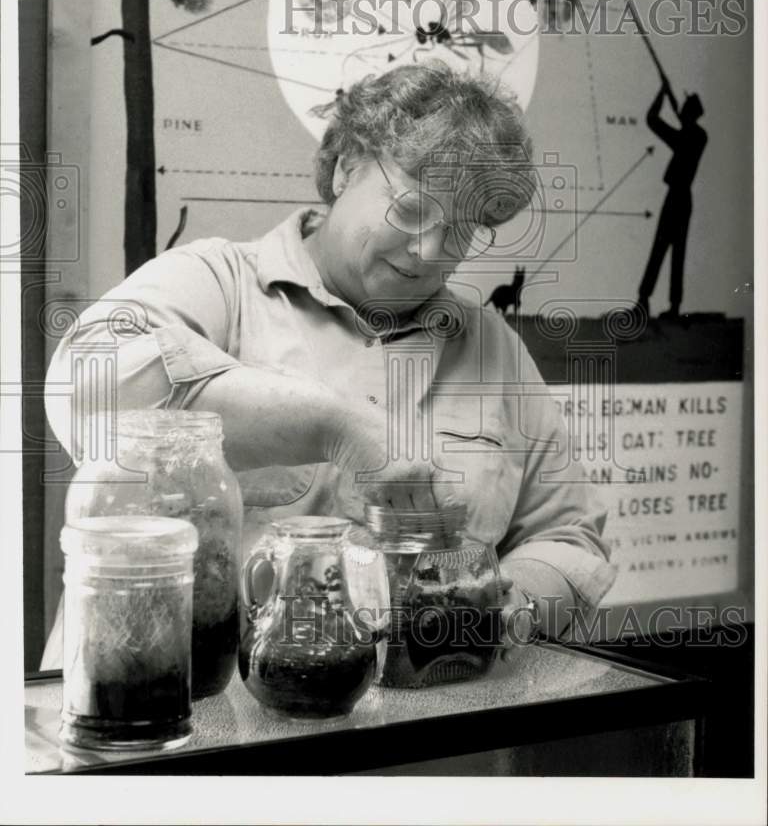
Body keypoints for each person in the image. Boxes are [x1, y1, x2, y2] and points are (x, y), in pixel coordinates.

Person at [43, 63, 616, 664]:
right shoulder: (217, 282)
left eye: (461, 230)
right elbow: (90, 389)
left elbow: (569, 538)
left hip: (418, 722)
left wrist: (502, 606)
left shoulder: (494, 348)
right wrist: (333, 426)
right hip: (176, 716)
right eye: (411, 209)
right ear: (346, 167)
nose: (429, 252)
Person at [637, 78, 707, 319]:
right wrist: (662, 96)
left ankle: (668, 304)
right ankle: (646, 299)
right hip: (678, 198)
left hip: (679, 198)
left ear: (690, 113)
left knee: (674, 253)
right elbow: (652, 120)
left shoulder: (696, 136)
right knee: (663, 250)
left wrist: (664, 98)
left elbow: (657, 122)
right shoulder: (689, 135)